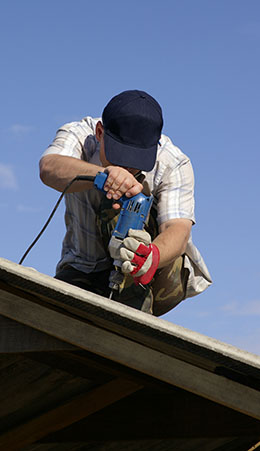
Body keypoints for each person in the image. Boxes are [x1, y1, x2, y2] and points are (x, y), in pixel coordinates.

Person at [40, 89, 212, 315]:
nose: (128, 167)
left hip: (151, 272)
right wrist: (103, 176)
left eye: (136, 160)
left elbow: (177, 228)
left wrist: (151, 257)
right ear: (100, 132)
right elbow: (49, 167)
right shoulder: (79, 134)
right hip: (84, 264)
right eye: (119, 156)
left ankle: (134, 293)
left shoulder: (174, 163)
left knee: (131, 202)